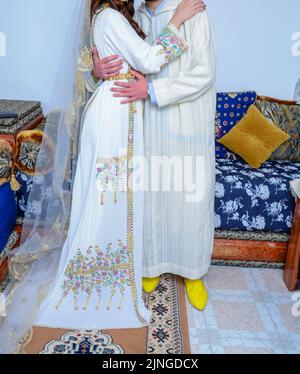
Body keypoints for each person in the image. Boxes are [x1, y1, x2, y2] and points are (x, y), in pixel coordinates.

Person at [31, 0, 205, 330]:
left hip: (118, 109)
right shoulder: (109, 16)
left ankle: (105, 276)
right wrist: (179, 20)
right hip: (115, 116)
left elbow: (134, 60)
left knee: (110, 199)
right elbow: (151, 60)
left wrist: (127, 67)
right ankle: (98, 283)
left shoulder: (111, 16)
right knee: (110, 200)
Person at [88, 0, 216, 311]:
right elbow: (120, 62)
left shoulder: (191, 9)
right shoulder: (133, 15)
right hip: (145, 122)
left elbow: (204, 72)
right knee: (151, 196)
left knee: (190, 199)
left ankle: (193, 271)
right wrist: (95, 71)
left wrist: (155, 91)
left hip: (185, 119)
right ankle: (152, 265)